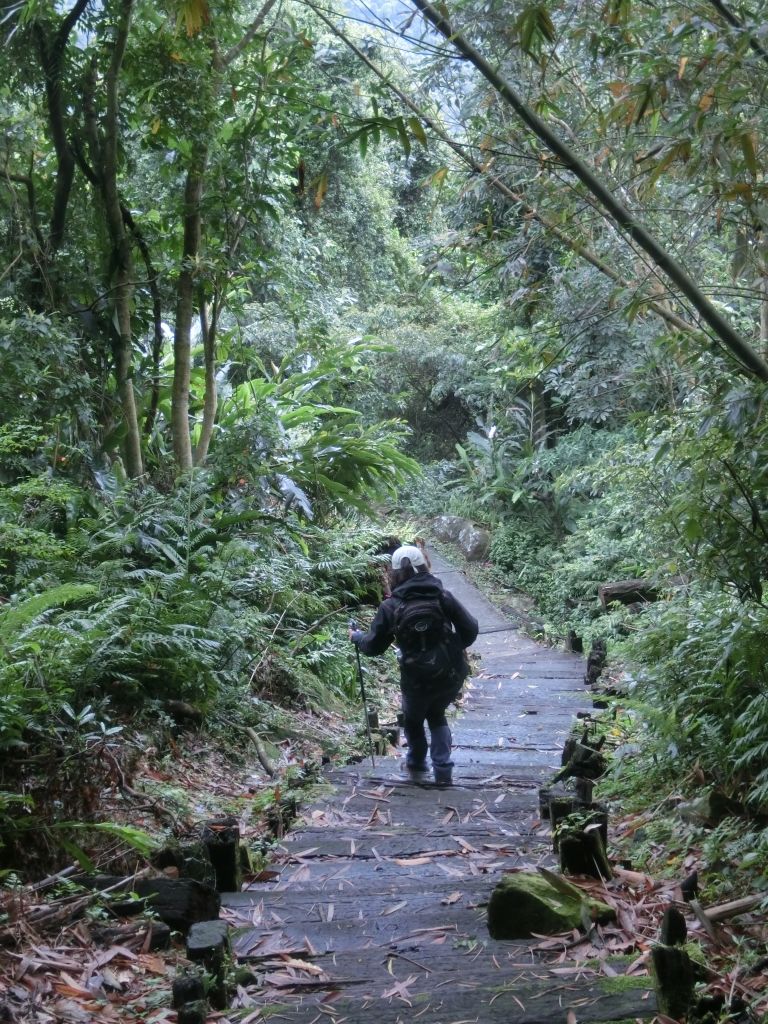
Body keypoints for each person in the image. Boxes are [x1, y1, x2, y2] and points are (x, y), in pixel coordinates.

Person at [349, 544, 478, 786]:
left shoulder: (391, 607)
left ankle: (417, 765)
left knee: (414, 719)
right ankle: (443, 771)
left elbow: (373, 647)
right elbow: (471, 630)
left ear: (394, 573)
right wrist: (449, 648)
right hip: (449, 675)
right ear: (423, 566)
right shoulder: (443, 597)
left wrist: (356, 638)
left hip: (416, 679)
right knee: (437, 713)